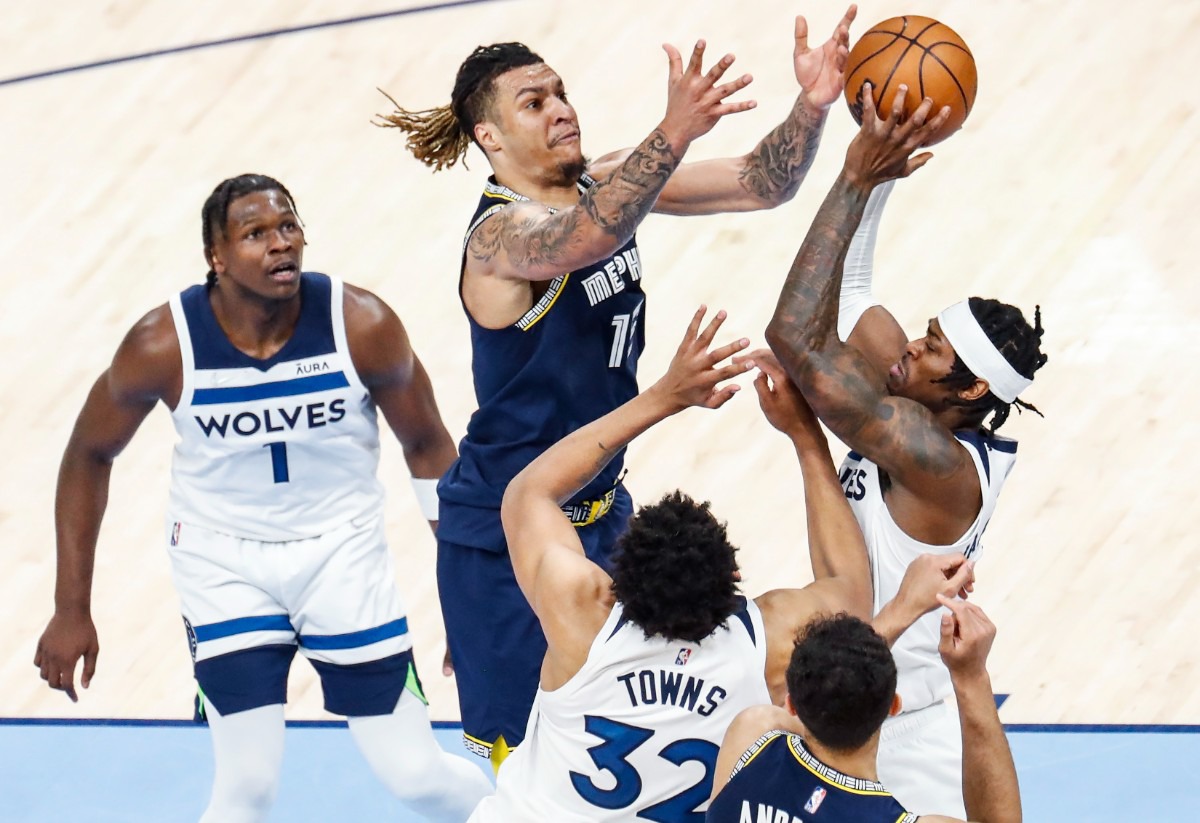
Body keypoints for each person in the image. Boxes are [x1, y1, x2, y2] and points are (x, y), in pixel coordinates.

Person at [375, 7, 860, 767]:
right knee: (533, 766)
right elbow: (588, 238)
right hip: (511, 535)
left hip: (604, 514)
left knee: (634, 742)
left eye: (560, 91)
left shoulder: (604, 180)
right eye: (533, 102)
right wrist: (674, 130)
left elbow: (763, 184)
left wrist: (814, 103)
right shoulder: (497, 238)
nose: (561, 106)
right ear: (489, 138)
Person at [32, 174, 494, 823]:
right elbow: (88, 455)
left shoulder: (360, 323)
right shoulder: (163, 344)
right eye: (256, 234)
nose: (279, 244)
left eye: (287, 227)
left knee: (416, 775)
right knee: (246, 786)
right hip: (224, 564)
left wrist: (468, 592)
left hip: (342, 554)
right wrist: (69, 606)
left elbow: (427, 445)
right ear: (217, 257)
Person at [466, 308, 974, 821]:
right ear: (734, 581)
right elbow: (848, 585)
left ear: (617, 580)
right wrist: (805, 436)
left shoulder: (582, 615)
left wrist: (665, 396)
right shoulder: (768, 642)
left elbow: (530, 492)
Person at [763, 84, 1048, 817]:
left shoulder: (937, 458)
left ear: (971, 385)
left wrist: (854, 174)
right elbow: (850, 286)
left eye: (931, 348)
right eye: (924, 332)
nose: (909, 349)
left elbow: (795, 336)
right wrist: (879, 153)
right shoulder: (918, 392)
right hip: (849, 683)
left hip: (910, 717)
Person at [706, 599, 1021, 823]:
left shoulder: (750, 738)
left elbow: (803, 706)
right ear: (894, 706)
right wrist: (971, 676)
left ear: (791, 704)